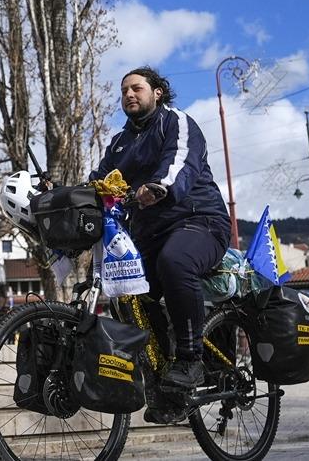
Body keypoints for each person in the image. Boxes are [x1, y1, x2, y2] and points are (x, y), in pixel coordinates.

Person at [90, 66, 230, 412]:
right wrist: (62, 196)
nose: (128, 95)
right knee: (130, 294)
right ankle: (167, 384)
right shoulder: (120, 143)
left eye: (136, 88)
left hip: (200, 221)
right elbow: (98, 182)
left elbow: (179, 164)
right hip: (149, 235)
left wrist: (160, 188)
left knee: (175, 261)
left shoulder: (176, 122)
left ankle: (190, 359)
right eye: (123, 91)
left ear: (157, 93)